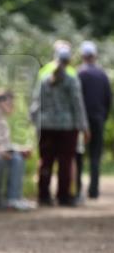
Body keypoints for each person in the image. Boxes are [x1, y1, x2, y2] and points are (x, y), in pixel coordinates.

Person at [30, 45, 89, 206]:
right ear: (69, 61)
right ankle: (63, 196)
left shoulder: (44, 79)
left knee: (45, 161)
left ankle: (43, 195)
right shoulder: (71, 79)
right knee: (65, 162)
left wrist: (34, 123)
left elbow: (35, 103)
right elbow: (78, 105)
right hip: (67, 128)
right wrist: (84, 127)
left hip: (46, 126)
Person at [0, 90, 35, 210]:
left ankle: (16, 197)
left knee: (19, 156)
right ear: (1, 103)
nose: (13, 106)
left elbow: (6, 144)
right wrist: (15, 151)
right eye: (10, 103)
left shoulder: (2, 118)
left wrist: (20, 149)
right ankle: (12, 199)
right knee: (17, 159)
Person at [77, 41, 111, 200]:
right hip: (98, 119)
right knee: (95, 155)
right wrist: (103, 116)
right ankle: (94, 190)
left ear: (82, 56)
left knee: (78, 154)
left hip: (80, 120)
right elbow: (108, 98)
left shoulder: (79, 73)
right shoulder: (102, 75)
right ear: (95, 56)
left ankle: (77, 189)